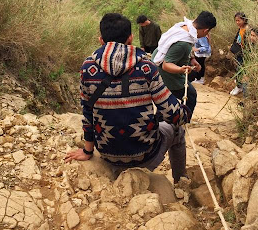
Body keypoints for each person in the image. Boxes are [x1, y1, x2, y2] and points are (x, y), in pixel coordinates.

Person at [65, 13, 192, 183]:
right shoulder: (146, 67)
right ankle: (180, 180)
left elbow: (88, 112)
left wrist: (88, 152)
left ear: (101, 40)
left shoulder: (88, 67)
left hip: (108, 154)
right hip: (146, 155)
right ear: (131, 38)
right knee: (178, 131)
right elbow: (171, 112)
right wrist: (185, 113)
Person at [152, 11, 217, 117]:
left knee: (168, 97)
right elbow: (166, 64)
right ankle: (180, 121)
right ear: (206, 30)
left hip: (160, 61)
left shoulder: (185, 27)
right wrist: (180, 70)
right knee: (190, 95)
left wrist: (192, 59)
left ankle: (166, 119)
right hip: (164, 70)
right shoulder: (183, 43)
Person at [230, 11, 248, 96]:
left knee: (241, 70)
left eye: (239, 20)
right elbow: (237, 38)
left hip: (243, 53)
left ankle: (239, 87)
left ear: (244, 20)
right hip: (238, 52)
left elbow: (248, 44)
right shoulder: (240, 28)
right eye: (236, 21)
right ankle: (238, 85)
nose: (237, 22)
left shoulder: (247, 29)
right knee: (238, 68)